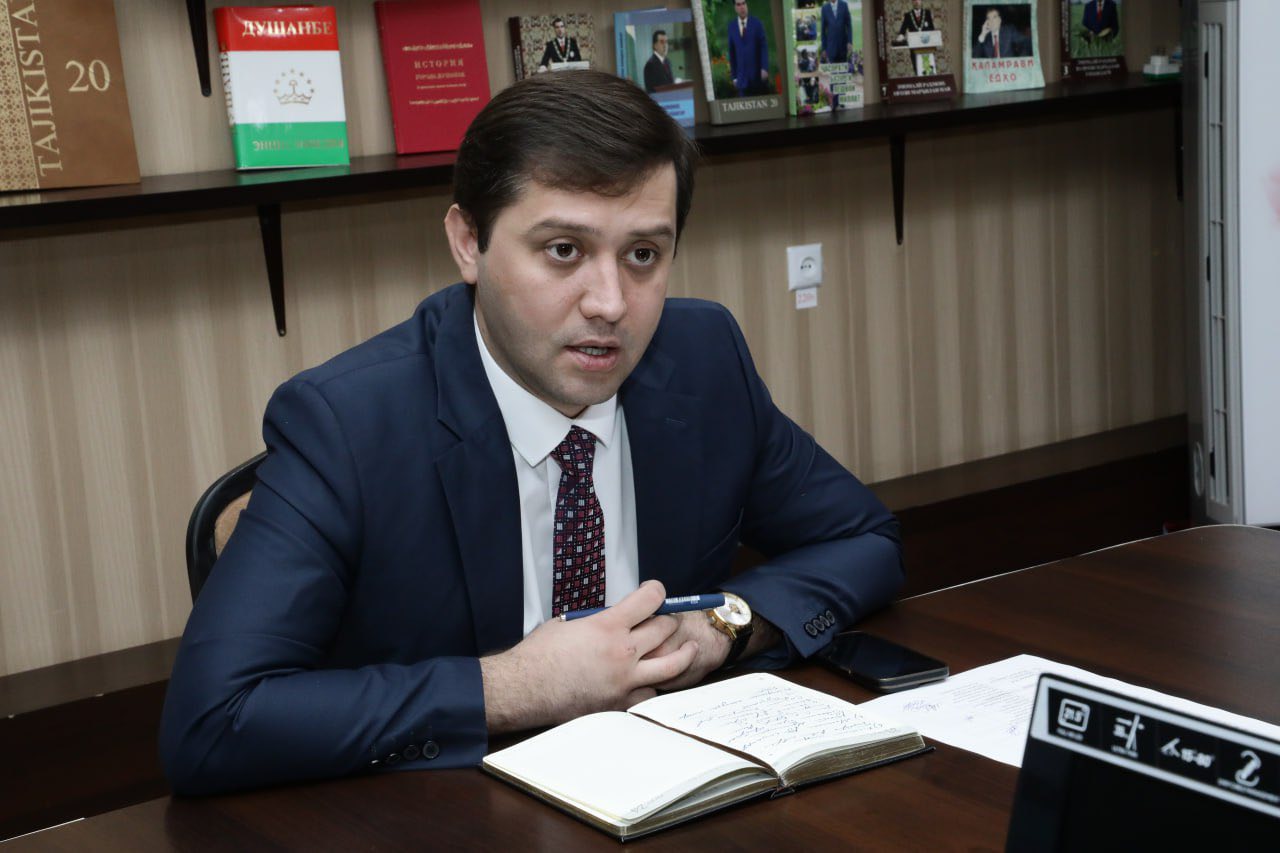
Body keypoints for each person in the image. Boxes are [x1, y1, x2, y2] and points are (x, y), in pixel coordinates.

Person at [159, 70, 902, 796]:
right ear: (468, 242)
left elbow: (864, 539)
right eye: (564, 250)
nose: (610, 304)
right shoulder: (349, 425)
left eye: (643, 255)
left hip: (673, 786)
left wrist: (724, 624)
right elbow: (212, 722)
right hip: (444, 809)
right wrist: (516, 686)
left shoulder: (703, 361)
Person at [727, 0, 771, 96]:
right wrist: (734, 77)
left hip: (757, 77)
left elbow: (763, 47)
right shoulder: (731, 27)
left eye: (744, 3)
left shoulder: (757, 23)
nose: (742, 7)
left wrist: (764, 67)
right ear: (735, 8)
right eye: (739, 5)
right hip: (742, 80)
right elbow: (732, 53)